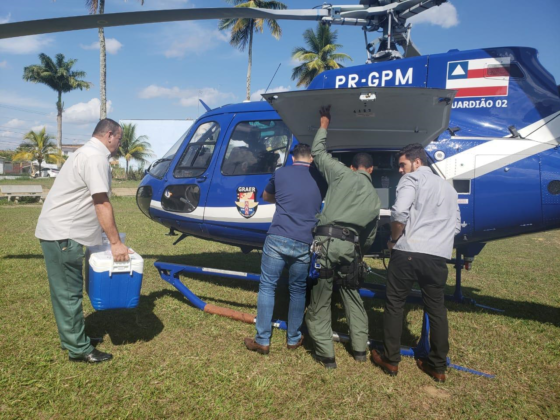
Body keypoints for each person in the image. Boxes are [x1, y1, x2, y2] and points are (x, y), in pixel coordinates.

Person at [36, 118, 131, 364]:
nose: (119, 144)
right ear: (109, 135)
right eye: (119, 139)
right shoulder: (94, 157)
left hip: (62, 232)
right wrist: (115, 243)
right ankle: (78, 348)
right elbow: (101, 202)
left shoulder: (87, 153)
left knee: (68, 291)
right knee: (69, 293)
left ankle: (74, 338)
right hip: (63, 234)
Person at [371, 143, 461, 383]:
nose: (400, 170)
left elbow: (399, 212)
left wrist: (394, 239)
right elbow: (456, 226)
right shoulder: (449, 188)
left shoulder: (411, 179)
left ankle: (391, 359)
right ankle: (438, 366)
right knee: (437, 309)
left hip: (408, 251)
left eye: (402, 164)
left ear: (417, 162)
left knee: (395, 304)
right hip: (437, 257)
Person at [305, 106, 381, 369]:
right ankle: (360, 351)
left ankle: (327, 356)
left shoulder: (340, 173)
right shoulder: (375, 199)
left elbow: (317, 152)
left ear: (352, 167)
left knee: (321, 298)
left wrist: (324, 123)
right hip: (351, 249)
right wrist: (359, 252)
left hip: (326, 245)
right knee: (351, 295)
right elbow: (369, 236)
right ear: (371, 169)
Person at [244, 144, 327, 355]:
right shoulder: (320, 177)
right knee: (298, 289)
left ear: (293, 158)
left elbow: (266, 196)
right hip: (304, 239)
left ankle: (262, 340)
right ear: (312, 159)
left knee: (267, 286)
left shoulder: (280, 173)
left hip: (278, 235)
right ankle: (293, 338)